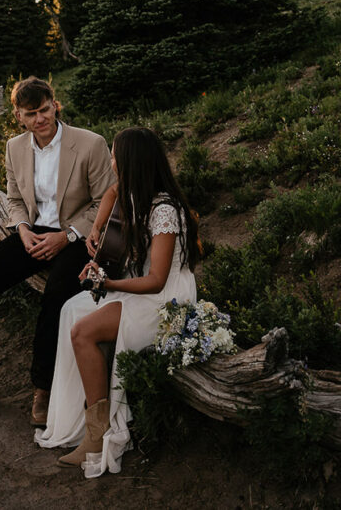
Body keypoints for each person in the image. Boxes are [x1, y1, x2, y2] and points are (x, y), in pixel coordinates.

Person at [0, 76, 115, 426]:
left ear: (55, 104)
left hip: (80, 236)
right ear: (18, 116)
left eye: (45, 109)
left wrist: (67, 236)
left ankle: (43, 388)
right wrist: (21, 229)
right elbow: (15, 199)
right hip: (33, 232)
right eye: (31, 113)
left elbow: (104, 204)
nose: (41, 119)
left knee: (56, 293)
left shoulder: (90, 143)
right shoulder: (14, 148)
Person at [34, 126, 201, 478]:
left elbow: (156, 280)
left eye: (115, 157)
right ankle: (81, 419)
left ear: (132, 163)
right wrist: (96, 232)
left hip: (164, 299)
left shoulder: (164, 212)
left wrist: (108, 282)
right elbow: (111, 192)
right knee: (71, 308)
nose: (111, 163)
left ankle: (100, 435)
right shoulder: (136, 195)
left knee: (83, 330)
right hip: (143, 288)